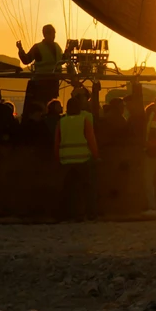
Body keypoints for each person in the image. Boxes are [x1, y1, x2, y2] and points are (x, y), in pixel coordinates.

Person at [55, 93, 100, 221]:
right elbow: (91, 140)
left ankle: (66, 214)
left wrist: (58, 159)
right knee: (88, 188)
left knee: (68, 189)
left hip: (66, 161)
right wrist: (96, 156)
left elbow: (56, 142)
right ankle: (90, 213)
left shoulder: (61, 122)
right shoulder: (84, 120)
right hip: (83, 159)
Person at [16, 25, 64, 118]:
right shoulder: (37, 47)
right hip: (41, 83)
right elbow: (26, 60)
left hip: (54, 83)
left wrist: (69, 50)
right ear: (45, 34)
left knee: (52, 106)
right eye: (52, 34)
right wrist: (20, 50)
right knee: (41, 106)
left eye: (54, 34)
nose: (53, 37)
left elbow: (62, 59)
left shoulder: (57, 46)